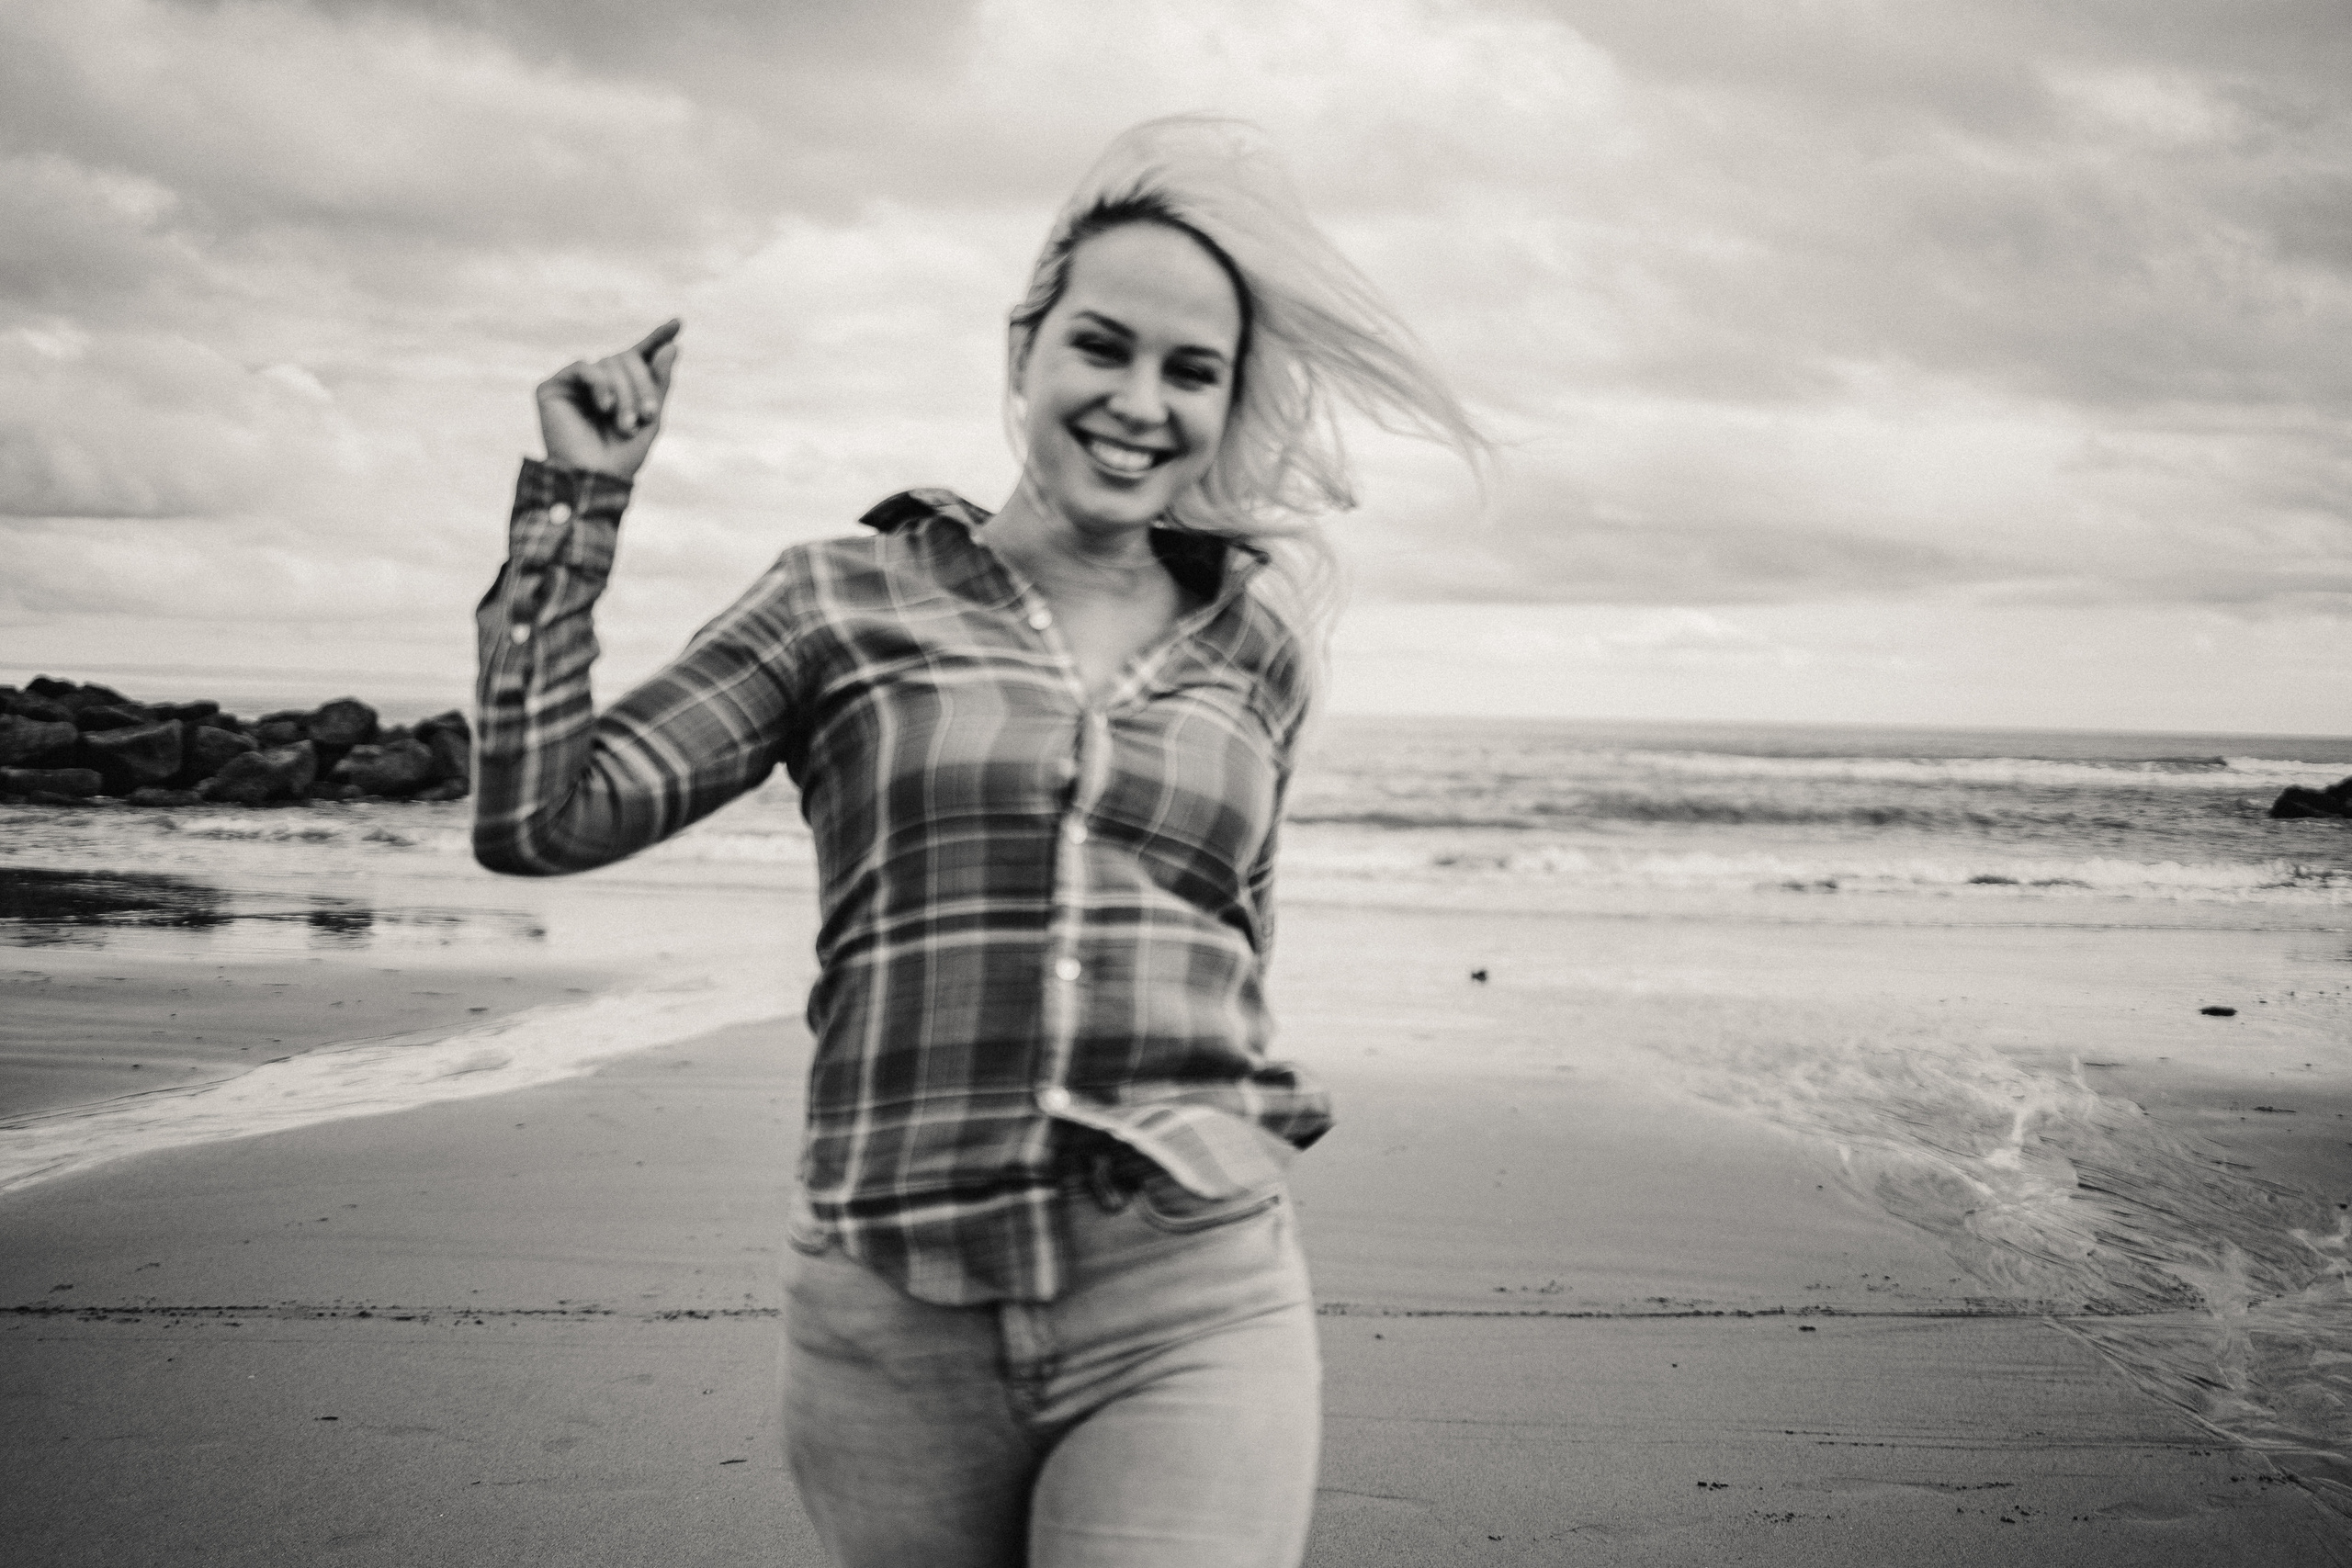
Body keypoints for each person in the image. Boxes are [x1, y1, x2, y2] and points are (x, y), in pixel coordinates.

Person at [472, 116, 1482, 1568]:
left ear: (1225, 402)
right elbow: (538, 820)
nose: (1141, 401)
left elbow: (1234, 938)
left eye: (1192, 371)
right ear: (1026, 351)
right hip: (891, 1309)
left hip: (1188, 1289)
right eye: (1104, 347)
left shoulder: (1253, 648)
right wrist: (580, 501)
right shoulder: (840, 601)